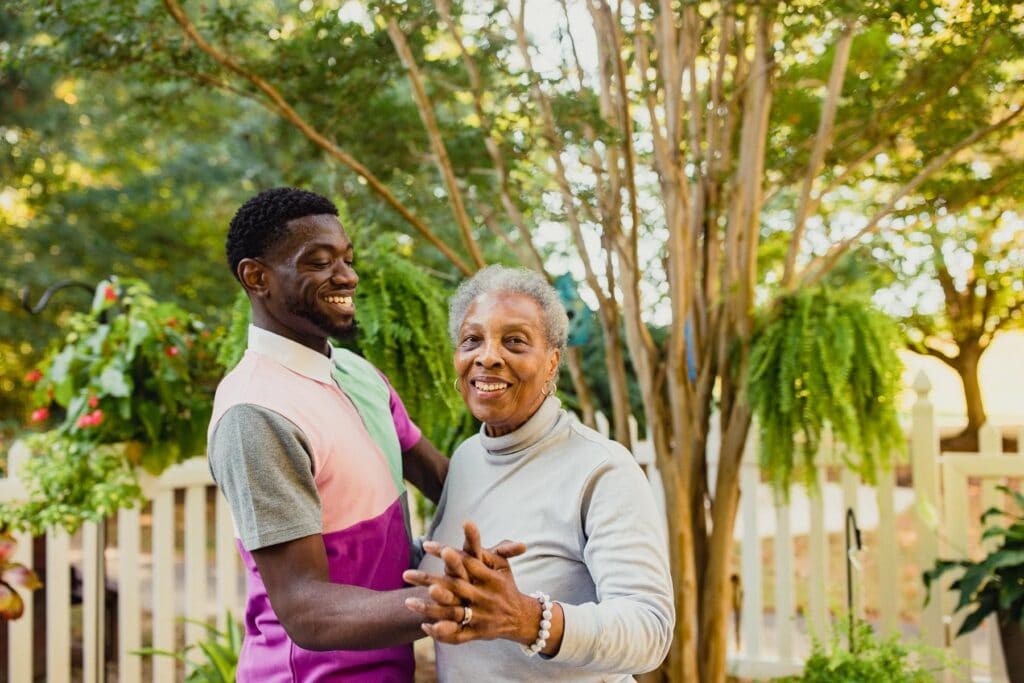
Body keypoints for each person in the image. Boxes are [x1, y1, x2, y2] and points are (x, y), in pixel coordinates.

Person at [207, 187, 465, 681]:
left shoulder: (357, 373)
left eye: (346, 258)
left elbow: (444, 480)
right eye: (320, 262)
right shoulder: (255, 413)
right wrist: (451, 603)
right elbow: (307, 609)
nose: (347, 276)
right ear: (256, 277)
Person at [403, 265, 675, 681]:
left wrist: (529, 619)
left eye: (514, 341)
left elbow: (650, 631)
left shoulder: (601, 470)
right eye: (472, 339)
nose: (488, 355)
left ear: (551, 363)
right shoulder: (467, 458)